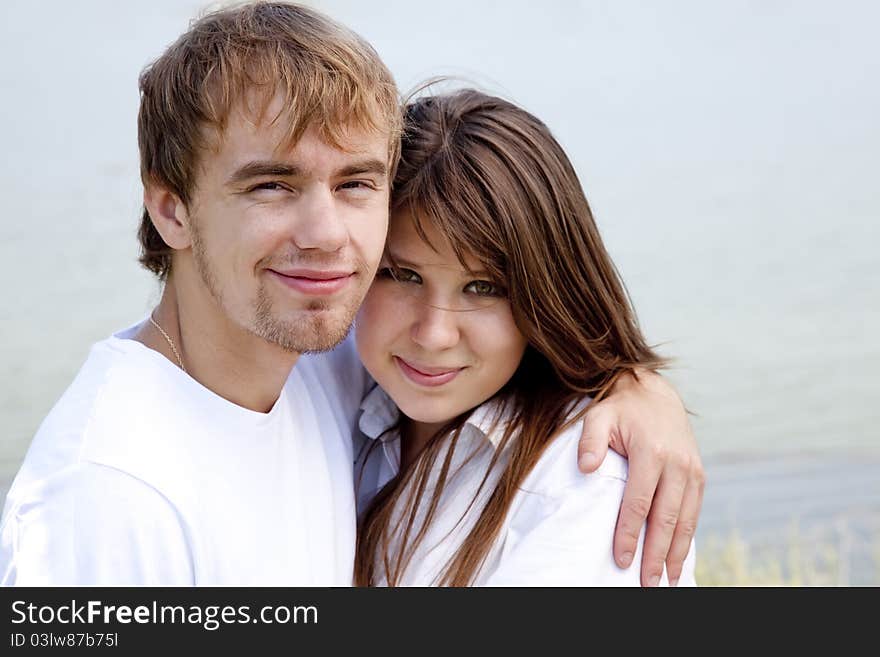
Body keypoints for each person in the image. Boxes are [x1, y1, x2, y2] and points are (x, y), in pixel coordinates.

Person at [0, 2, 702, 586]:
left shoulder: (321, 359)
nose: (326, 234)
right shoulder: (107, 496)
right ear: (172, 209)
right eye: (272, 184)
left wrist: (634, 382)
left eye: (355, 183)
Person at [354, 89, 697, 586]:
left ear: (545, 296)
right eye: (403, 276)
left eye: (483, 288)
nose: (433, 334)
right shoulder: (331, 384)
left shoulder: (591, 488)